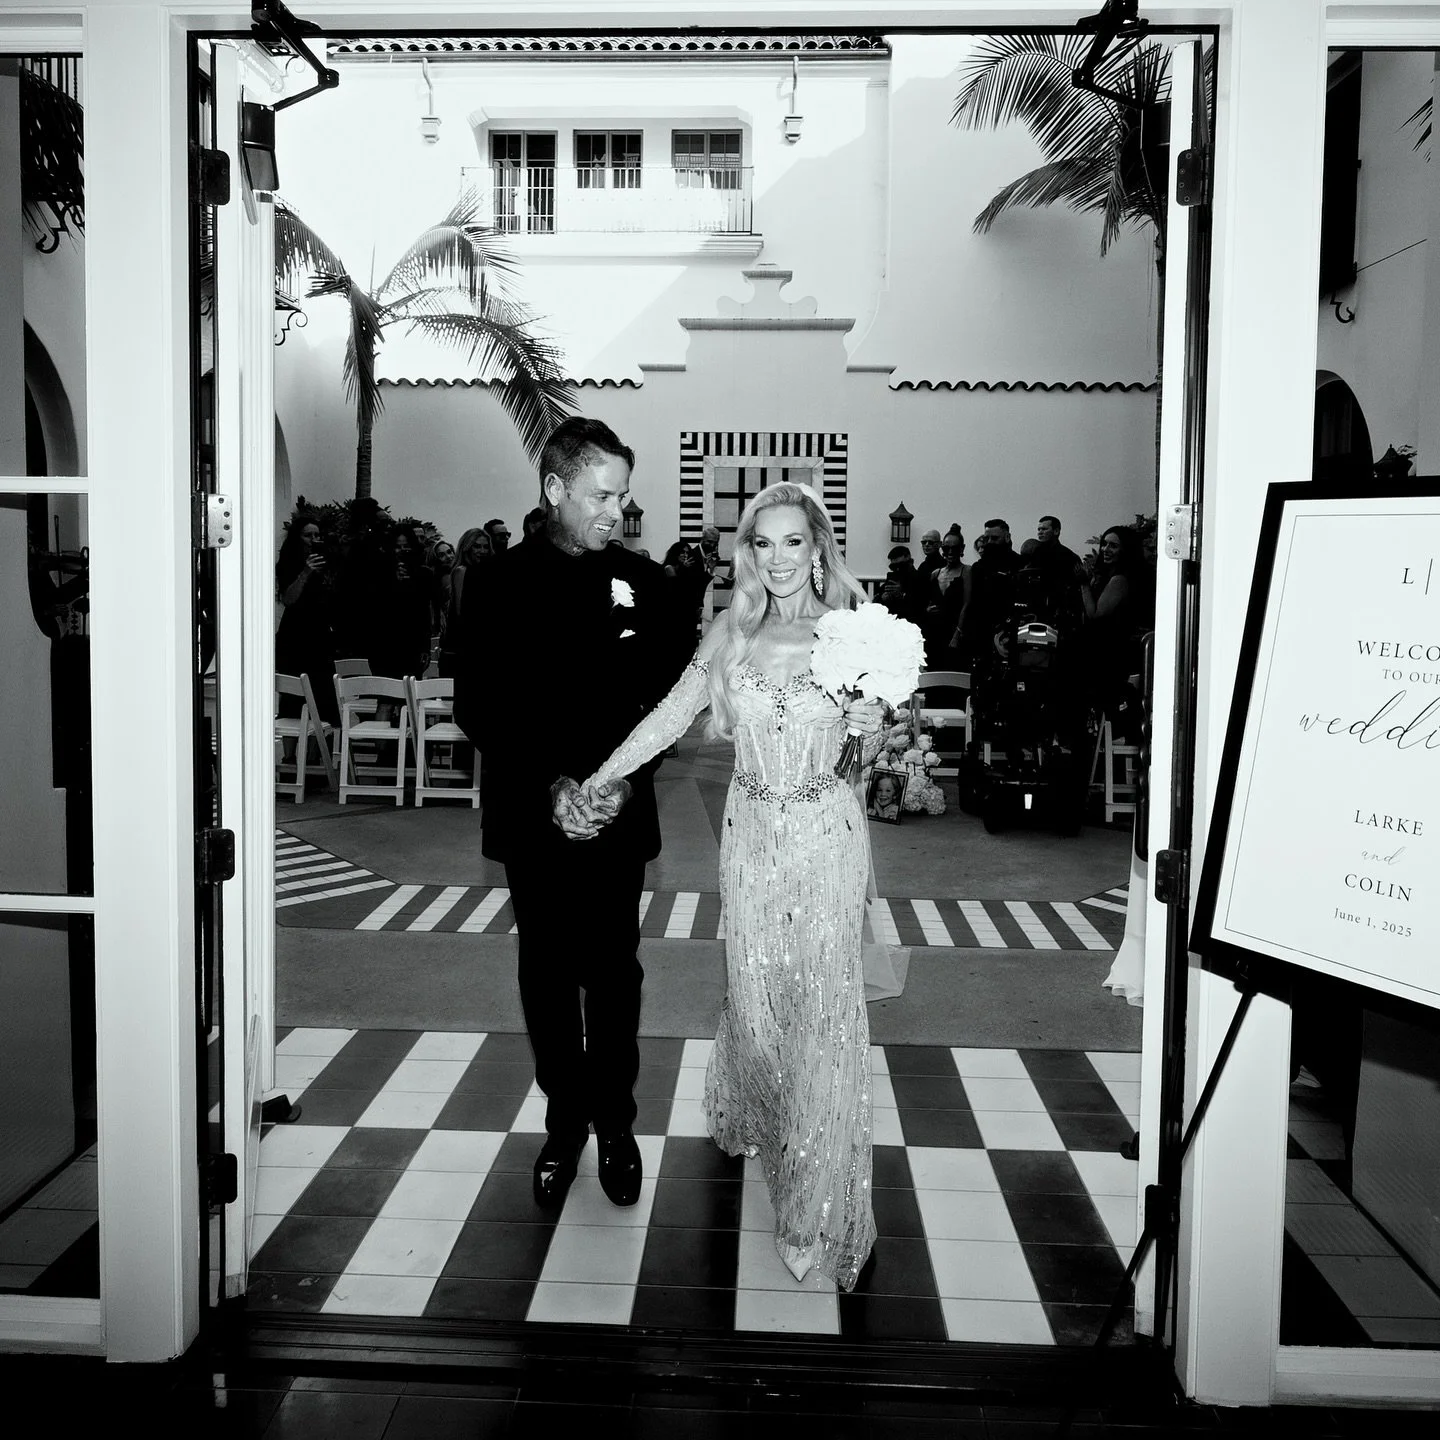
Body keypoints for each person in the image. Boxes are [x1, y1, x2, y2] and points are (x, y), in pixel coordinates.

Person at [580, 481, 886, 1291]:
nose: (779, 559)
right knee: (756, 999)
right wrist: (600, 777)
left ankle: (818, 1203)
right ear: (745, 554)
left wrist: (874, 731)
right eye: (763, 543)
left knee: (822, 1009)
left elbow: (872, 761)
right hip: (749, 836)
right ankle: (753, 1105)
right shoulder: (730, 631)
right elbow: (667, 717)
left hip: (827, 835)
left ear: (819, 548)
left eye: (794, 542)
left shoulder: (856, 637)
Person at [455, 418, 690, 1212]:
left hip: (616, 816)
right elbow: (480, 703)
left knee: (615, 972)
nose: (617, 509)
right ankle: (564, 1124)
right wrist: (551, 785)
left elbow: (666, 703)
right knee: (547, 973)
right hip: (534, 812)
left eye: (624, 494)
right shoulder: (498, 583)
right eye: (601, 494)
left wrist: (624, 780)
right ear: (554, 489)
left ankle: (617, 1124)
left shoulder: (646, 583)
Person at [275, 510, 337, 723]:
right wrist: (305, 572)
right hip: (295, 634)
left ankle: (316, 752)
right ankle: (290, 755)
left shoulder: (326, 562)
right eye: (308, 535)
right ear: (297, 538)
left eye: (317, 535)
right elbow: (288, 599)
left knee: (323, 695)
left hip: (320, 634)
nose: (314, 540)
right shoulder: (288, 563)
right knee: (293, 695)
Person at [437, 527, 492, 678]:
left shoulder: (484, 572)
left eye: (486, 547)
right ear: (467, 548)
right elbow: (461, 611)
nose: (482, 551)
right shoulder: (462, 571)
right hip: (459, 649)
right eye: (477, 546)